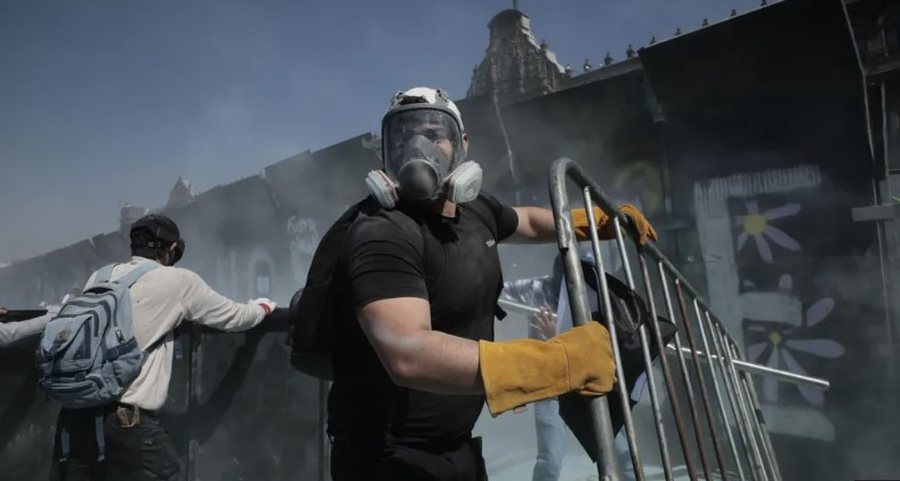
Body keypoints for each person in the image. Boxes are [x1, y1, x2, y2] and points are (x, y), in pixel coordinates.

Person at [326, 86, 657, 481]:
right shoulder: (380, 232)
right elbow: (407, 353)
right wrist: (551, 363)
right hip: (385, 459)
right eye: (402, 136)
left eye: (434, 135)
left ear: (461, 144)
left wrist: (593, 221)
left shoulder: (476, 209)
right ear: (384, 152)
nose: (416, 147)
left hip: (456, 447)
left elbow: (530, 222)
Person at [50, 214, 277, 481]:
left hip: (73, 419)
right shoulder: (177, 281)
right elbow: (233, 317)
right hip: (127, 426)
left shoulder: (99, 277)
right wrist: (262, 308)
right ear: (170, 250)